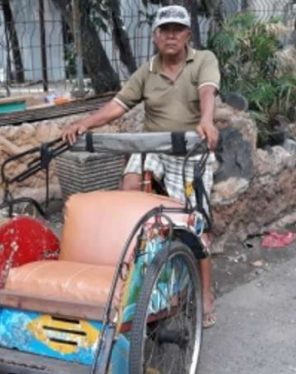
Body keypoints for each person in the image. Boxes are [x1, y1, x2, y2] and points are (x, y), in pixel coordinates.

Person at [62, 5, 220, 328]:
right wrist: (84, 123)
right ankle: (129, 276)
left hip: (191, 148)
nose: (171, 35)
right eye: (165, 30)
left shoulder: (204, 60)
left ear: (188, 34)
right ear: (155, 37)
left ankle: (205, 293)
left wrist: (206, 121)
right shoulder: (146, 71)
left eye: (178, 29)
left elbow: (208, 92)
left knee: (197, 220)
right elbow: (117, 105)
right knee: (128, 191)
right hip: (154, 146)